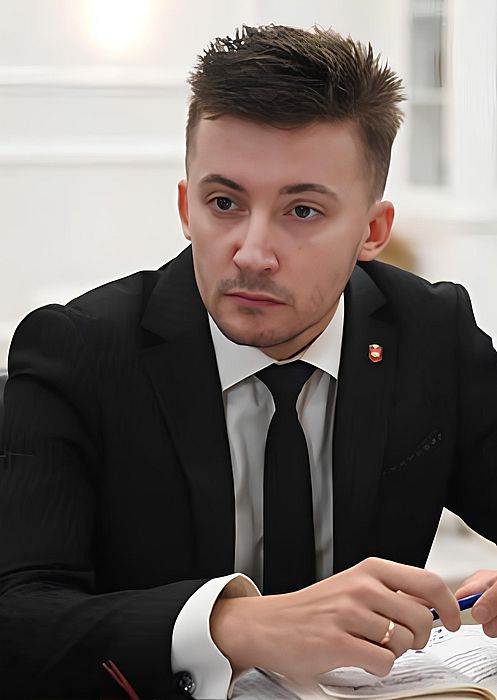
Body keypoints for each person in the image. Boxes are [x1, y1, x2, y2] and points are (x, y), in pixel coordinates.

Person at [1, 23, 497, 700]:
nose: (252, 253)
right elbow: (18, 617)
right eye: (224, 203)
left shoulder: (431, 333)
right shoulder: (76, 351)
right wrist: (233, 626)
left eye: (302, 210)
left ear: (372, 231)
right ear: (186, 207)